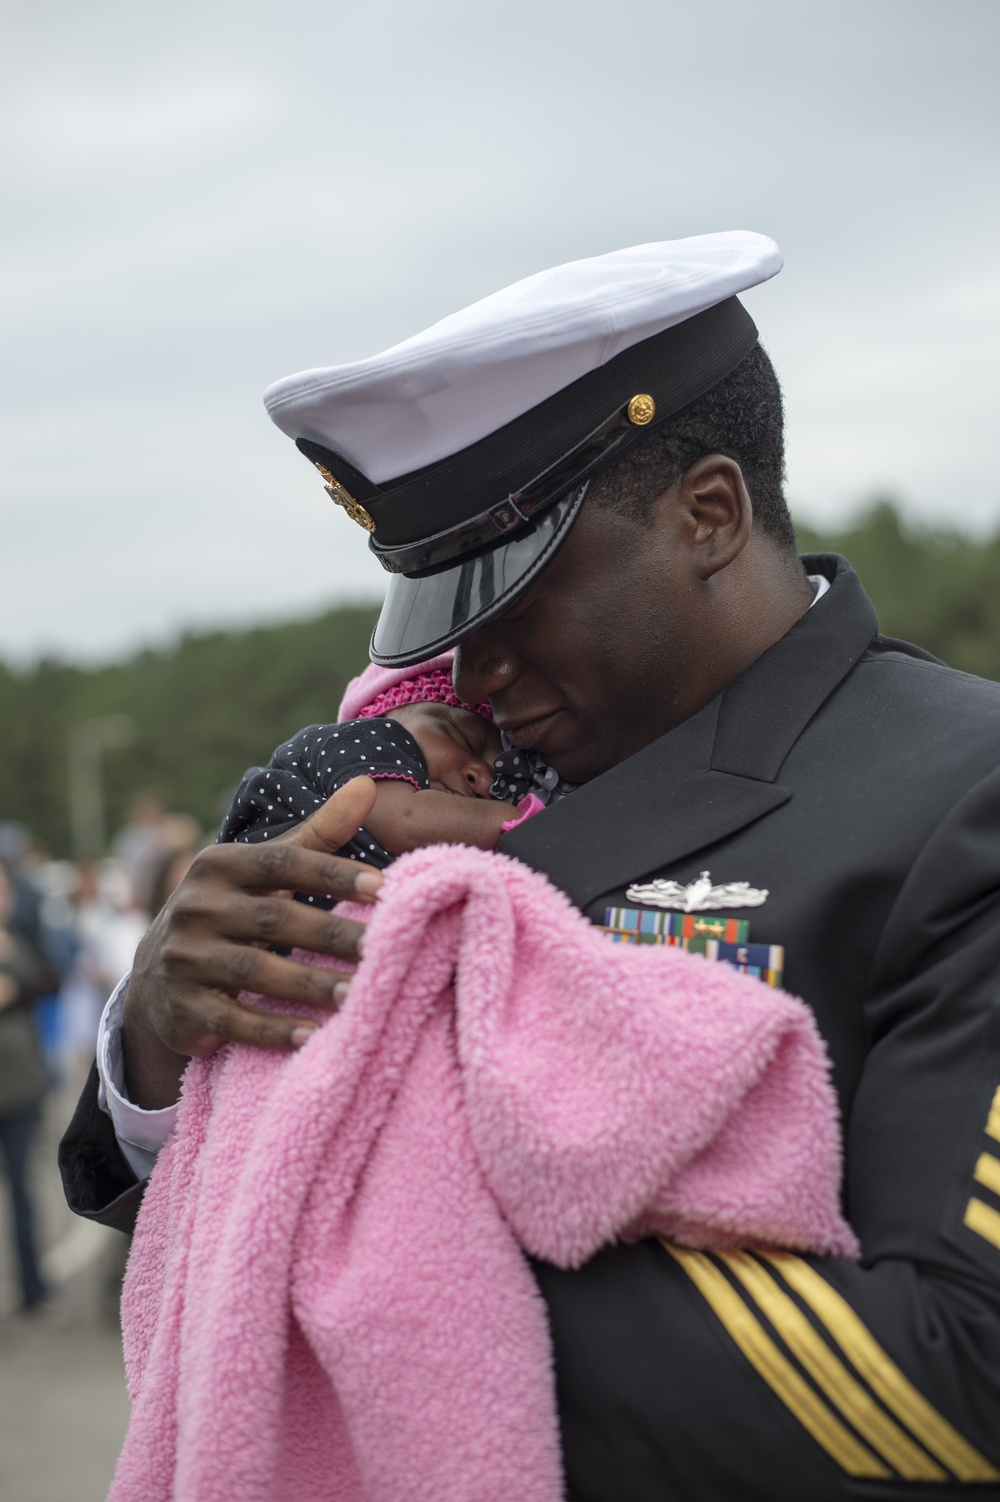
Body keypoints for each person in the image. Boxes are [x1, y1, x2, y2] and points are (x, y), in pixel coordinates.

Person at [60, 233, 1000, 1498]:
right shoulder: (433, 778)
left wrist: (392, 1263)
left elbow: (961, 1379)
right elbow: (186, 1215)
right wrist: (166, 1041)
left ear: (707, 514)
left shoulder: (962, 793)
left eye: (516, 600)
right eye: (447, 620)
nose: (473, 674)